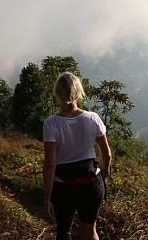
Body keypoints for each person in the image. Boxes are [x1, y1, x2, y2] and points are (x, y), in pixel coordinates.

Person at [42, 71, 112, 240]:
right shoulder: (93, 118)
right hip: (91, 182)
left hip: (63, 185)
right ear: (79, 92)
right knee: (90, 231)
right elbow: (107, 154)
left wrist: (46, 197)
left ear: (57, 93)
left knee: (63, 230)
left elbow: (50, 164)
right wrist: (104, 173)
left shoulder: (51, 124)